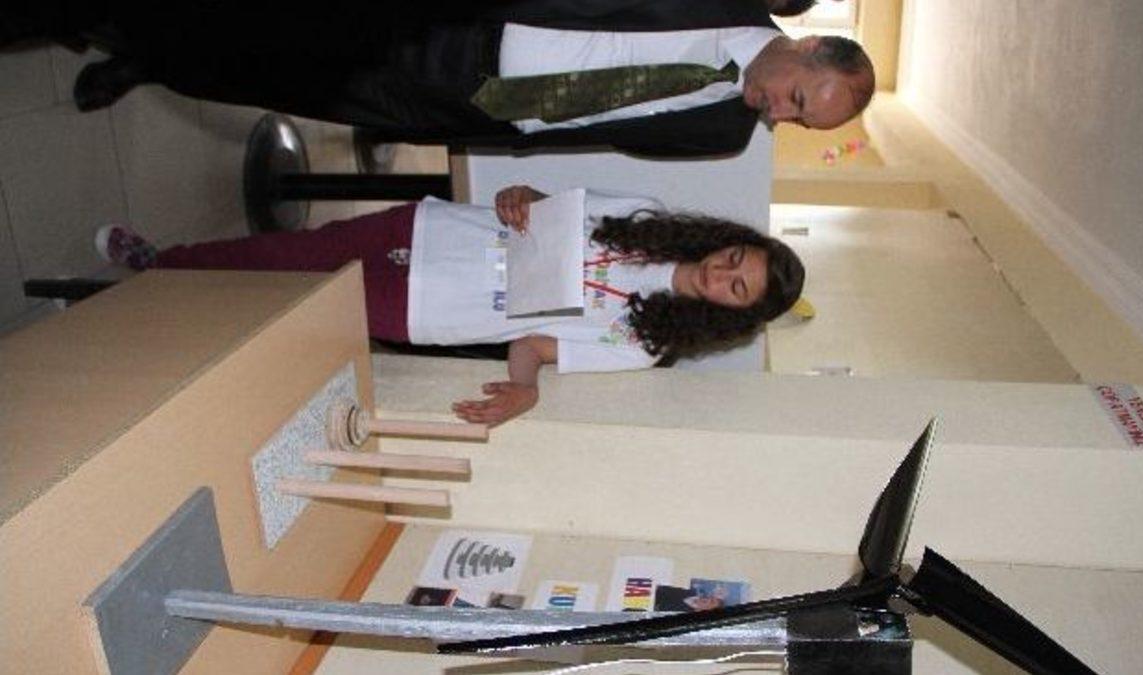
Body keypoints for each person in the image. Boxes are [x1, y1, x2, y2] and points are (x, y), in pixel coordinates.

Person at [94, 185, 805, 426]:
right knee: (294, 251)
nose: (722, 273)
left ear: (734, 313)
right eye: (735, 258)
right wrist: (522, 195)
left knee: (292, 305)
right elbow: (554, 206)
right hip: (437, 230)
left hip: (431, 307)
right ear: (728, 241)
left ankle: (166, 305)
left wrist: (524, 390)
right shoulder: (646, 216)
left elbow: (534, 347)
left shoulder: (646, 345)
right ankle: (166, 264)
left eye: (737, 287)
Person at [57, 2, 874, 157]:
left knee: (281, 86)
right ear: (805, 48)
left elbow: (603, 137)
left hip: (466, 110)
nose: (780, 114)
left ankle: (151, 66)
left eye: (799, 121)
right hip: (458, 26)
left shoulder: (724, 133)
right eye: (798, 99)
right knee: (277, 26)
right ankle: (128, 29)